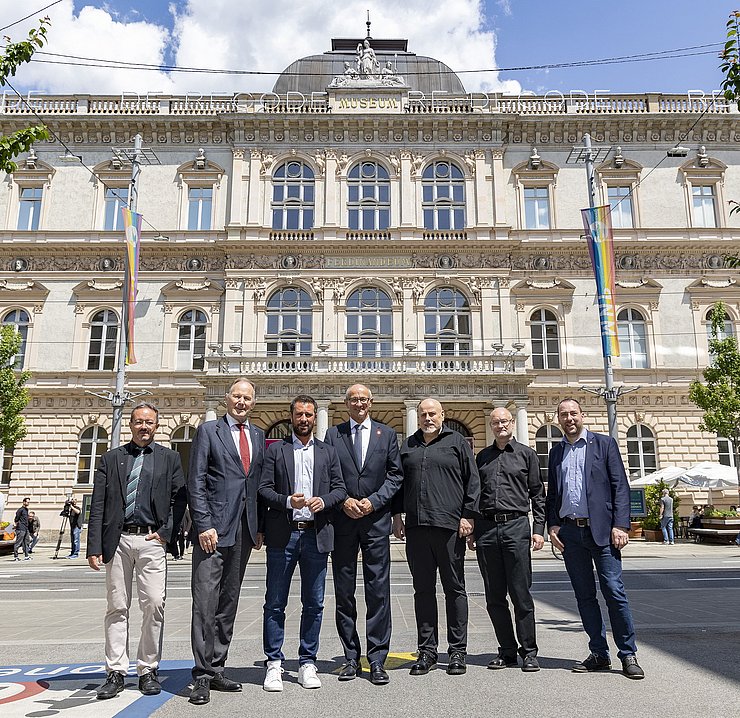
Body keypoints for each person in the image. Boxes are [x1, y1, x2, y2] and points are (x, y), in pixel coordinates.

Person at [86, 403, 186, 699]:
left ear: (157, 426)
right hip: (117, 542)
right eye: (140, 422)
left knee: (154, 603)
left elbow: (179, 500)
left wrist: (166, 533)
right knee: (117, 606)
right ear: (131, 424)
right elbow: (99, 504)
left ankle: (148, 669)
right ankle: (115, 671)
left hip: (151, 541)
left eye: (150, 423)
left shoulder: (170, 459)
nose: (145, 427)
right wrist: (94, 546)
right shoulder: (111, 458)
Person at [546, 398, 644, 680]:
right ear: (559, 419)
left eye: (573, 413)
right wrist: (553, 525)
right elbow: (554, 494)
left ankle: (628, 654)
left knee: (614, 591)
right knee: (584, 596)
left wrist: (621, 525)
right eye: (563, 415)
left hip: (602, 532)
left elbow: (620, 487)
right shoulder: (556, 452)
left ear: (582, 415)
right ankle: (599, 653)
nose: (569, 419)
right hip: (570, 534)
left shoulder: (604, 444)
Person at [259, 394, 346, 692]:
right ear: (292, 416)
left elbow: (339, 489)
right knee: (275, 602)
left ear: (314, 417)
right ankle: (274, 663)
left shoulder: (327, 452)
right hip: (283, 535)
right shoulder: (276, 450)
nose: (305, 419)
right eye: (299, 414)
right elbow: (263, 488)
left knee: (314, 603)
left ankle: (308, 661)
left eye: (309, 414)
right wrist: (286, 501)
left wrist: (325, 500)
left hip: (316, 534)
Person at [187, 377, 266, 706]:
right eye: (237, 396)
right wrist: (203, 523)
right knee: (205, 602)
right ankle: (202, 675)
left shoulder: (259, 435)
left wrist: (259, 527)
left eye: (248, 397)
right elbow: (197, 479)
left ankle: (217, 666)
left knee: (228, 603)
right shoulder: (208, 431)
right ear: (227, 398)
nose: (242, 402)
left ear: (253, 402)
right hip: (213, 532)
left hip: (244, 531)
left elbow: (257, 484)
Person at [392, 398, 480, 677]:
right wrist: (396, 516)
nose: (428, 418)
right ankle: (427, 651)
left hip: (450, 528)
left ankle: (457, 652)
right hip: (417, 528)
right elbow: (397, 483)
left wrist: (468, 516)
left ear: (442, 415)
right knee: (423, 591)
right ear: (417, 417)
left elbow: (473, 481)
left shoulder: (457, 442)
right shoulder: (408, 445)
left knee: (454, 590)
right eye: (423, 414)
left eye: (432, 413)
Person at [324, 384, 403, 685]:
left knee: (378, 591)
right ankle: (349, 658)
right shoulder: (333, 435)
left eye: (363, 399)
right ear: (346, 404)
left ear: (371, 403)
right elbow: (328, 474)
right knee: (344, 593)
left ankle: (377, 658)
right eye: (353, 399)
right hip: (343, 522)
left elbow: (395, 476)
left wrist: (374, 501)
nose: (358, 404)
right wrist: (343, 500)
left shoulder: (387, 435)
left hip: (375, 521)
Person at [469, 407, 545, 672]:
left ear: (512, 423)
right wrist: (474, 529)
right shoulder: (483, 457)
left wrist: (539, 529)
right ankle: (507, 651)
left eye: (504, 421)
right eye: (495, 422)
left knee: (521, 594)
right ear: (491, 426)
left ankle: (530, 651)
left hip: (516, 526)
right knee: (494, 597)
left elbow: (538, 494)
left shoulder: (527, 455)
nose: (500, 425)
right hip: (488, 530)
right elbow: (475, 495)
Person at [13, 497, 31, 561]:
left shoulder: (26, 510)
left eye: (29, 502)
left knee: (26, 542)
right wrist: (17, 524)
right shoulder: (20, 510)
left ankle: (26, 556)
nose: (28, 503)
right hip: (20, 529)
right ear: (24, 502)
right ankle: (16, 556)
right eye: (27, 502)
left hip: (26, 528)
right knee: (18, 542)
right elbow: (16, 518)